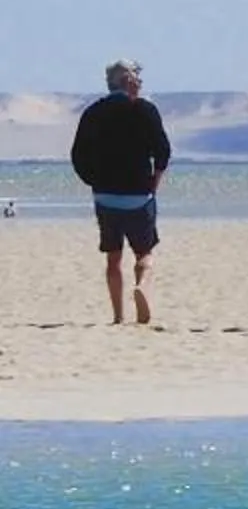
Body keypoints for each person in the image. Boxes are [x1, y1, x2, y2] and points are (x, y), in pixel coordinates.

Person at [68, 59, 172, 326]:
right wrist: (155, 180)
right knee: (145, 252)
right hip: (140, 194)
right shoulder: (145, 110)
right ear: (129, 81)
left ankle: (117, 317)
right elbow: (163, 151)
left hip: (105, 196)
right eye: (137, 75)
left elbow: (78, 155)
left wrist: (94, 181)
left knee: (113, 257)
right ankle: (141, 285)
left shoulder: (94, 112)